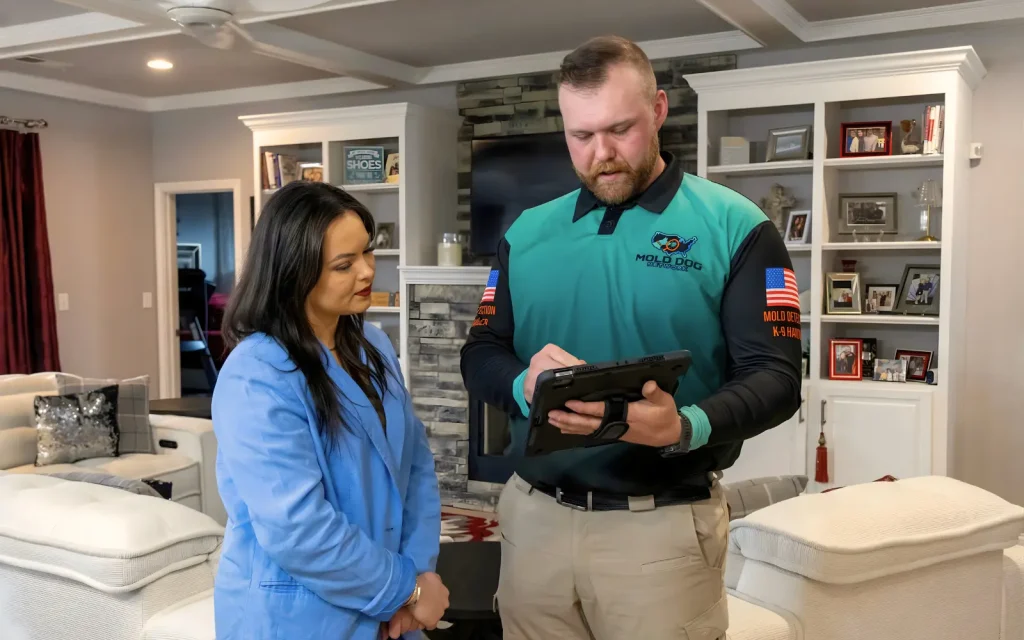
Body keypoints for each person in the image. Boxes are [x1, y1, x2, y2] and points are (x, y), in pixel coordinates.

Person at [460, 35, 802, 640]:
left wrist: (683, 426)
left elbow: (776, 380)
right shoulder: (526, 232)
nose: (602, 154)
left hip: (661, 531)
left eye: (620, 129)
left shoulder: (737, 226)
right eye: (581, 136)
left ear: (660, 110)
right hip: (533, 523)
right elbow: (481, 352)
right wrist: (521, 383)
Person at [211, 181, 449, 640]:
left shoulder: (374, 345)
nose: (367, 272)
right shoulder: (255, 374)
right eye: (344, 264)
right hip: (297, 619)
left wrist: (419, 576)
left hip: (391, 610)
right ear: (293, 273)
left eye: (367, 252)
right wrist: (405, 590)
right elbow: (298, 529)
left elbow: (416, 466)